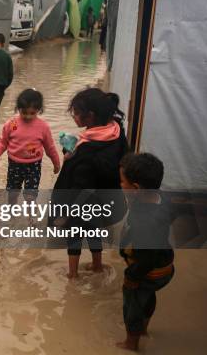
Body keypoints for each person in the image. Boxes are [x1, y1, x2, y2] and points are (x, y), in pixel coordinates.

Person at [52, 87, 129, 278]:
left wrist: (65, 213)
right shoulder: (116, 130)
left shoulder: (86, 150)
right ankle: (97, 266)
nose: (73, 116)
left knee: (75, 237)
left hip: (83, 203)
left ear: (91, 116)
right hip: (107, 201)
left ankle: (72, 274)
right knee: (95, 232)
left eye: (76, 113)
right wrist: (74, 148)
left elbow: (77, 184)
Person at [117, 152, 174, 351]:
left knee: (132, 306)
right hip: (164, 265)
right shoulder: (161, 198)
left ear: (136, 189)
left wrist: (130, 276)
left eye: (122, 182)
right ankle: (144, 330)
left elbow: (146, 259)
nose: (120, 185)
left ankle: (130, 343)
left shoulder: (144, 222)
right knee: (148, 297)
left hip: (146, 272)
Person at [0, 89, 60, 192]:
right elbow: (3, 142)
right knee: (12, 191)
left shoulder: (43, 127)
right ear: (18, 108)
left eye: (32, 113)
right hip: (14, 164)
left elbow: (50, 148)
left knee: (31, 194)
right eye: (24, 112)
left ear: (38, 110)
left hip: (34, 166)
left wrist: (56, 163)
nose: (28, 116)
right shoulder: (12, 124)